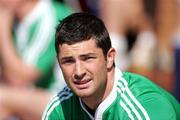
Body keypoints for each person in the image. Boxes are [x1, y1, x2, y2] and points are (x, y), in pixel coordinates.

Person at [42, 12, 180, 120]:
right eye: (68, 61)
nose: (79, 71)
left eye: (88, 58)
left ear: (109, 58)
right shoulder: (59, 109)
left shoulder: (144, 107)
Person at [0, 0, 71, 119]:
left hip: (63, 101)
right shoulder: (15, 18)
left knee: (1, 97)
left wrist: (2, 31)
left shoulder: (52, 16)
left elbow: (19, 80)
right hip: (32, 96)